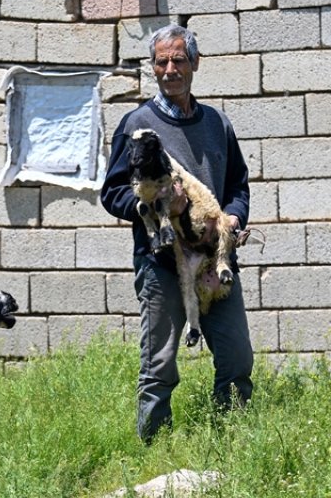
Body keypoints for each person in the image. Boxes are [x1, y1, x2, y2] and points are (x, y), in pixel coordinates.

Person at [99, 23, 253, 443]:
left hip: (215, 262)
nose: (170, 69)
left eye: (178, 60)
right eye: (161, 61)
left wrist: (234, 218)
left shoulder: (217, 123)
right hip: (163, 263)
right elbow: (112, 193)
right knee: (160, 365)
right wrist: (158, 206)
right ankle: (154, 449)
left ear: (195, 64)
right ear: (153, 67)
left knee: (237, 358)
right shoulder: (137, 124)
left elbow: (238, 186)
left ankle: (231, 442)